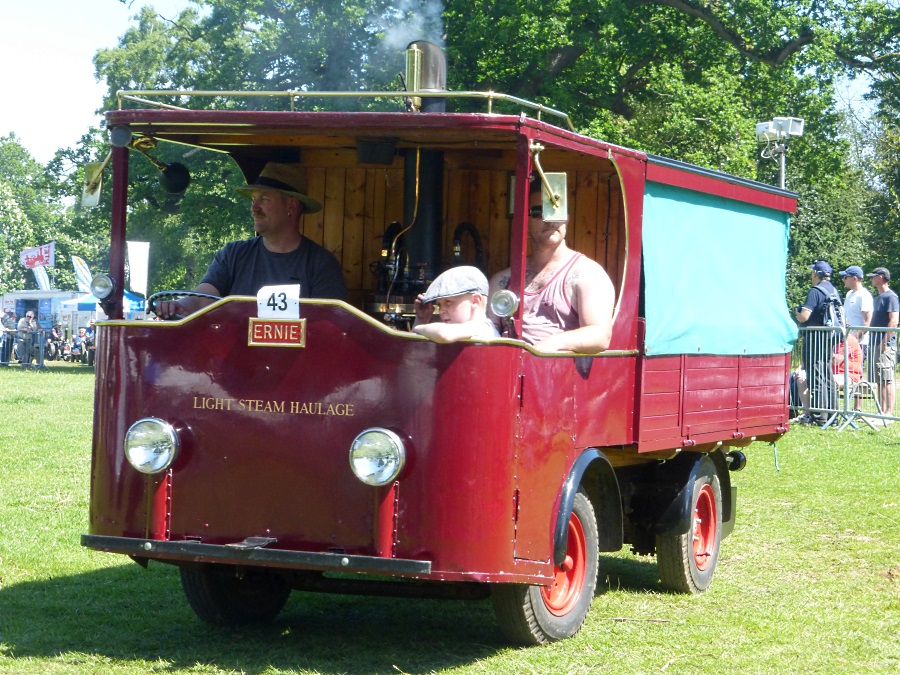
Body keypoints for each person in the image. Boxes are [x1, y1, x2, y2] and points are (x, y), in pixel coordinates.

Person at [155, 163, 346, 318]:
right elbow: (202, 298)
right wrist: (179, 306)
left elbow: (326, 328)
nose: (254, 208)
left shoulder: (321, 264)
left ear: (291, 205)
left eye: (264, 199)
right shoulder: (233, 254)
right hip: (235, 363)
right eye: (253, 199)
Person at [488, 179, 615, 352]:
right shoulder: (501, 281)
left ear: (568, 218)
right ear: (524, 220)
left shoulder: (589, 274)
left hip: (559, 377)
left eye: (557, 210)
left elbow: (600, 335)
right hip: (507, 374)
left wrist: (547, 346)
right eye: (539, 212)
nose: (550, 219)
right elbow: (485, 332)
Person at [795, 261, 841, 425]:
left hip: (815, 338)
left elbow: (805, 316)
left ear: (816, 273)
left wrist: (797, 313)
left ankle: (820, 417)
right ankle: (832, 415)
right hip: (828, 339)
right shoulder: (834, 290)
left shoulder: (815, 291)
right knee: (826, 375)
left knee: (816, 376)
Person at [412, 266, 500, 343]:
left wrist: (418, 327)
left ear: (475, 301)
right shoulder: (459, 332)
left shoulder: (482, 327)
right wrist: (422, 319)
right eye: (439, 305)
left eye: (448, 302)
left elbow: (443, 334)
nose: (442, 311)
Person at [866, 267, 899, 418]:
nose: (871, 279)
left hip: (885, 345)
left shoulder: (890, 297)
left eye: (873, 276)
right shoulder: (880, 297)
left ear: (880, 277)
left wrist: (885, 342)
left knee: (887, 379)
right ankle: (882, 412)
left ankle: (888, 414)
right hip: (876, 343)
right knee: (880, 380)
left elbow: (894, 321)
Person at [839, 265, 873, 370]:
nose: (843, 279)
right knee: (843, 372)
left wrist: (853, 338)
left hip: (860, 343)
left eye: (845, 277)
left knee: (856, 373)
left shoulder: (864, 295)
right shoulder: (849, 294)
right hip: (848, 341)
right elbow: (847, 318)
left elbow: (867, 322)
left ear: (854, 278)